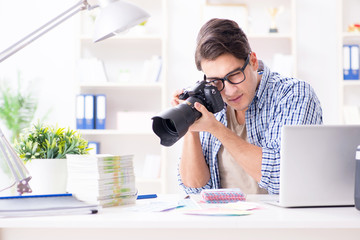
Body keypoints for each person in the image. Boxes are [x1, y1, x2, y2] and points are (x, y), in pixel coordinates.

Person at [171, 18, 323, 195]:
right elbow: (195, 189)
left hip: (280, 221)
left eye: (234, 75)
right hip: (221, 220)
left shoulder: (293, 94)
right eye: (215, 81)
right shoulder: (210, 102)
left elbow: (282, 177)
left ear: (253, 61)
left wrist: (216, 129)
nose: (228, 91)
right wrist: (190, 124)